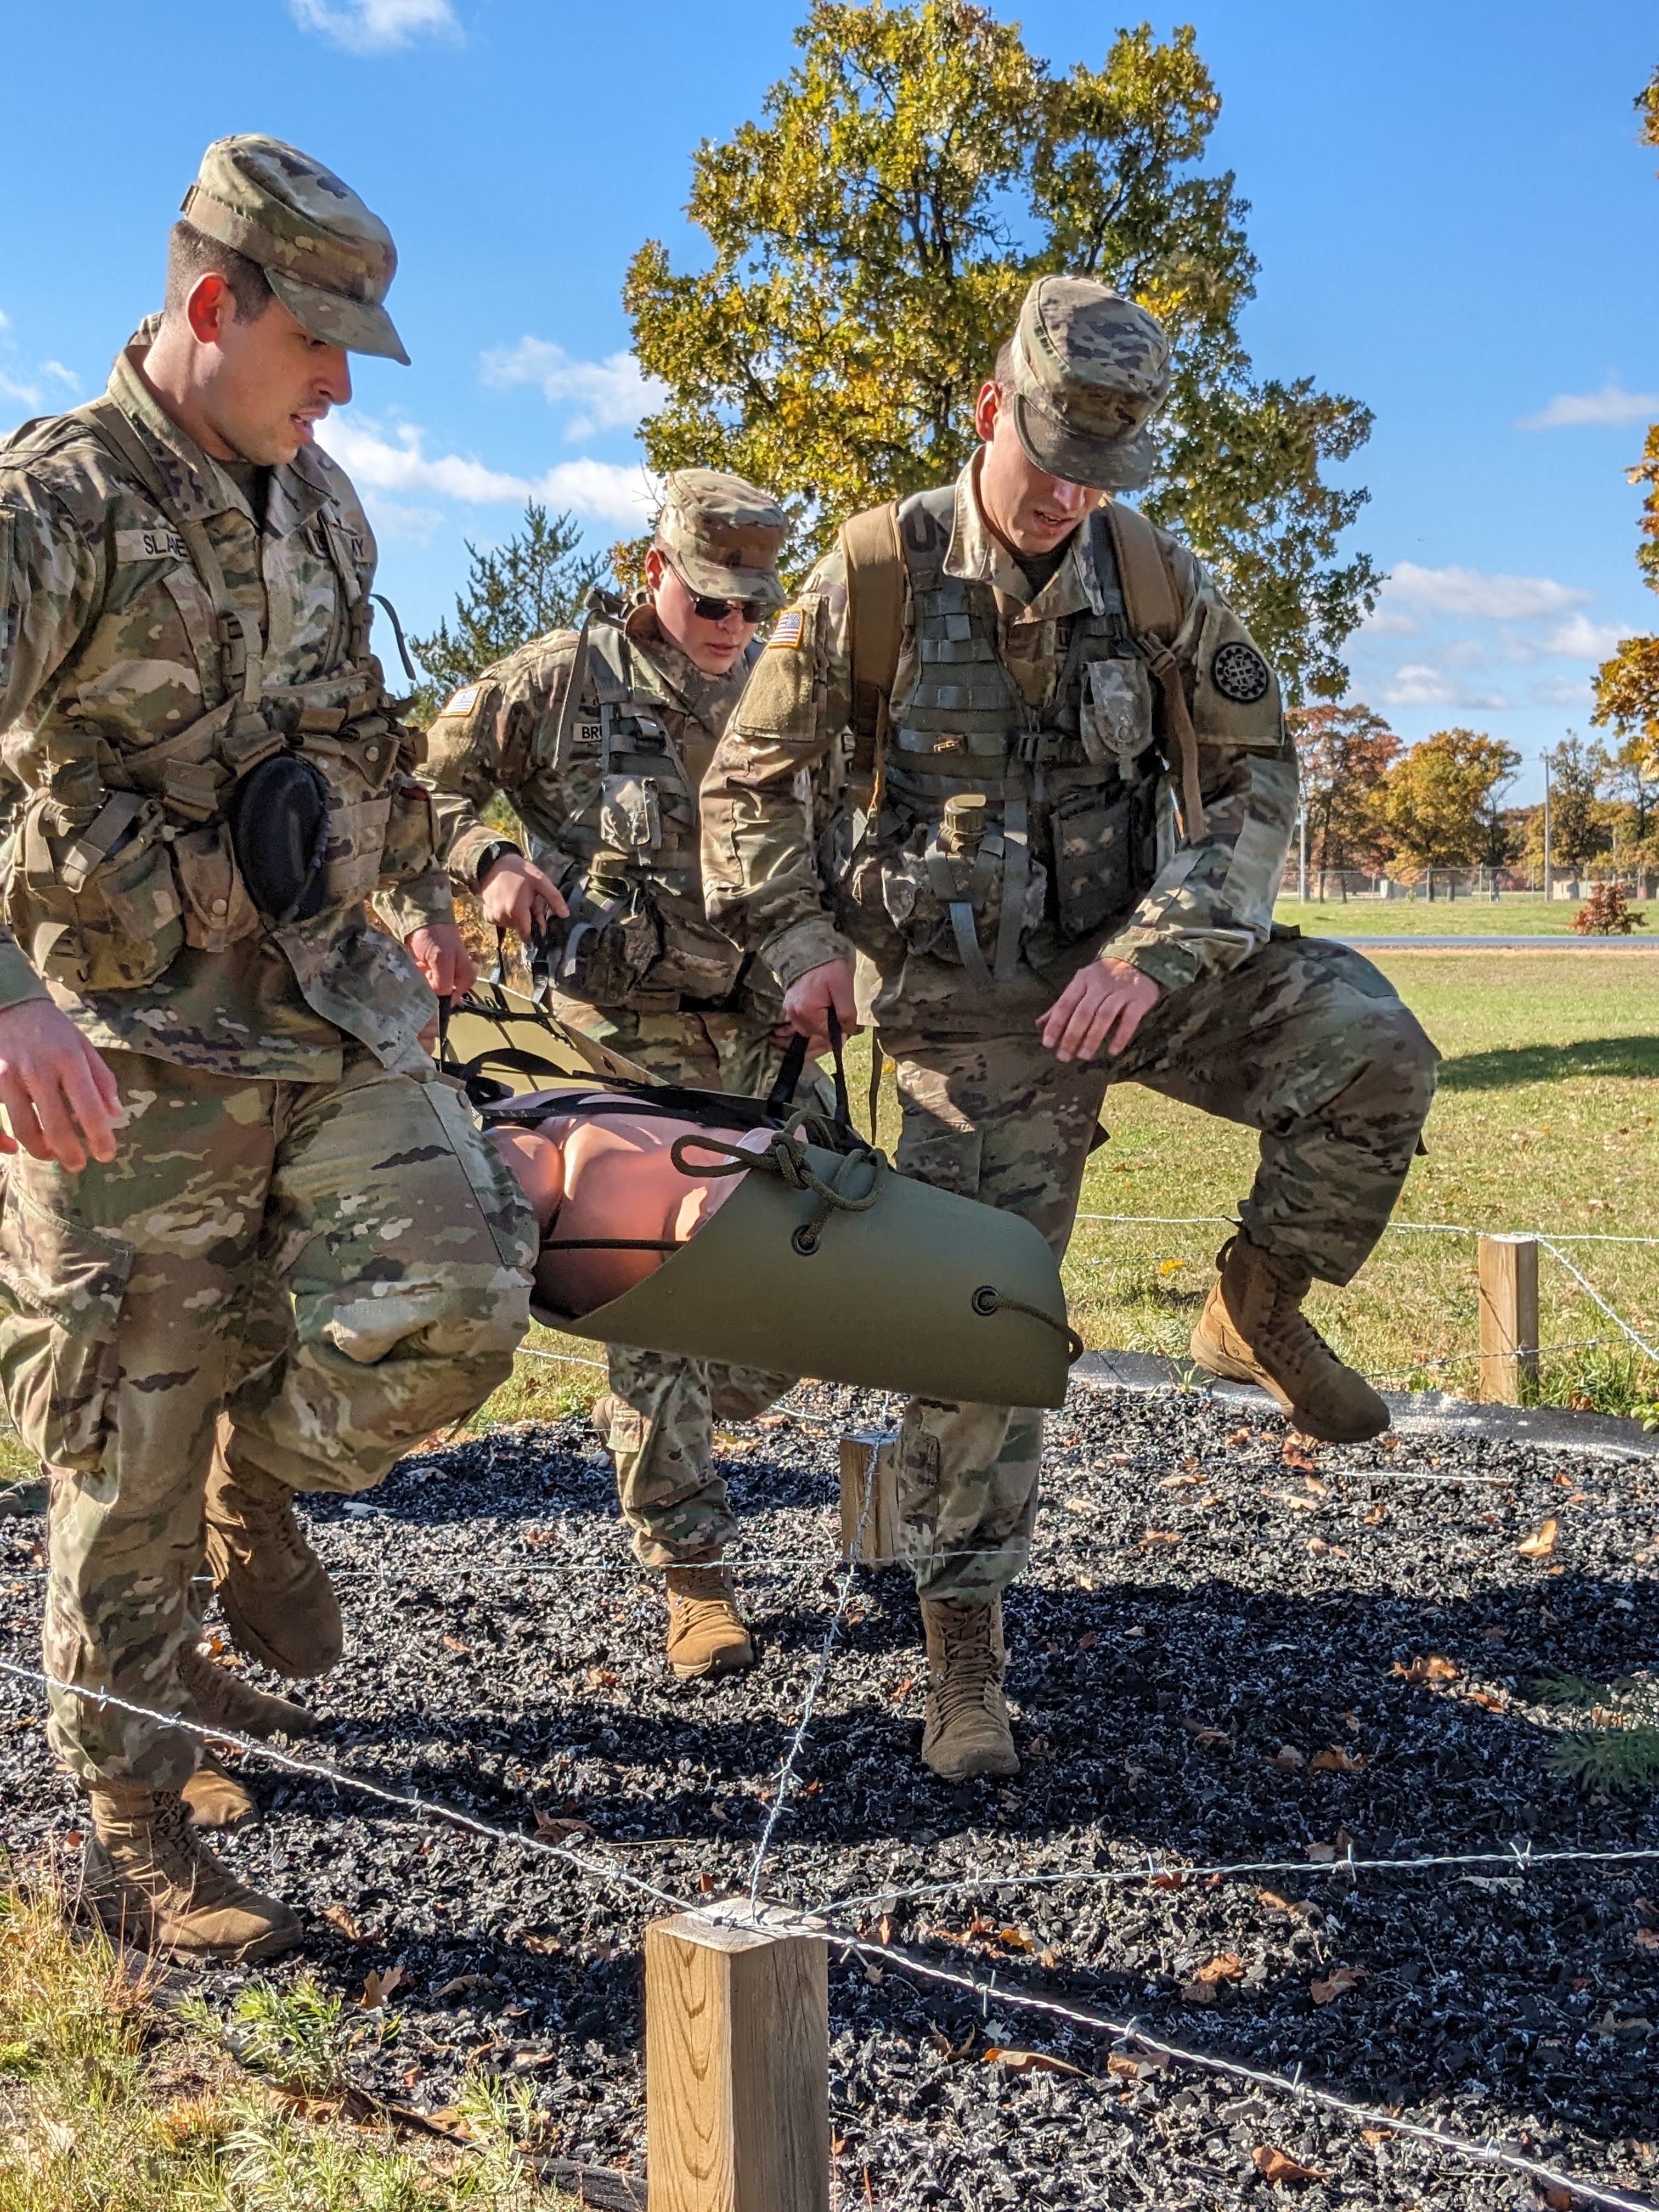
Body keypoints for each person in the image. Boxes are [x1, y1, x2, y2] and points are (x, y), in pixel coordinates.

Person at [698, 274, 1438, 1784]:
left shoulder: (1162, 582)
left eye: (1105, 467)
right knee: (984, 1306)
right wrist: (794, 941)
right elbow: (746, 787)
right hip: (967, 1012)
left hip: (1138, 970)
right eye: (1050, 457)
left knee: (1374, 1048)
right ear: (989, 413)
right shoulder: (872, 576)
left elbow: (1254, 793)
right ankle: (964, 1651)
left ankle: (1255, 1304)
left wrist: (1163, 953)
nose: (1070, 494)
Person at [0, 135, 535, 1960]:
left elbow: (363, 739)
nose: (338, 383)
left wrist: (452, 873)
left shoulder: (326, 506)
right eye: (317, 343)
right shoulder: (52, 507)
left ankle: (267, 1478)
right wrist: (10, 1006)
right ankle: (139, 1812)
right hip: (121, 1049)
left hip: (315, 1007)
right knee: (122, 1449)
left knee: (456, 1303)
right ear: (208, 304)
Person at [420, 471, 814, 1681]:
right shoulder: (556, 682)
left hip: (758, 1047)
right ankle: (692, 1578)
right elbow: (414, 787)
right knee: (666, 1311)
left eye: (753, 606)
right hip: (614, 1050)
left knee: (774, 1325)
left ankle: (674, 1425)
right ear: (657, 569)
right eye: (712, 602)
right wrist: (485, 858)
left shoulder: (776, 688)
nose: (733, 627)